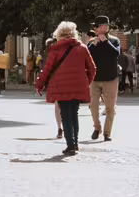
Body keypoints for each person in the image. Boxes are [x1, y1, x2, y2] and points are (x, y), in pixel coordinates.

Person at [36, 21, 96, 156]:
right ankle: (75, 143)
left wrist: (40, 84)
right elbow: (92, 68)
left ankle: (70, 145)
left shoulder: (55, 49)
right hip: (78, 86)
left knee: (66, 116)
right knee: (74, 115)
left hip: (61, 87)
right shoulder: (82, 48)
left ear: (59, 34)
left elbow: (47, 69)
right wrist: (86, 82)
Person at [86, 18, 123, 141]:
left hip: (110, 78)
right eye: (96, 27)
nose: (97, 29)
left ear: (105, 27)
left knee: (110, 107)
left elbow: (116, 54)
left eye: (100, 26)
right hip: (95, 79)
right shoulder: (92, 43)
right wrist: (94, 44)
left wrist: (106, 42)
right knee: (93, 105)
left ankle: (107, 133)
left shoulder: (114, 40)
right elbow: (87, 57)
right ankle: (97, 127)